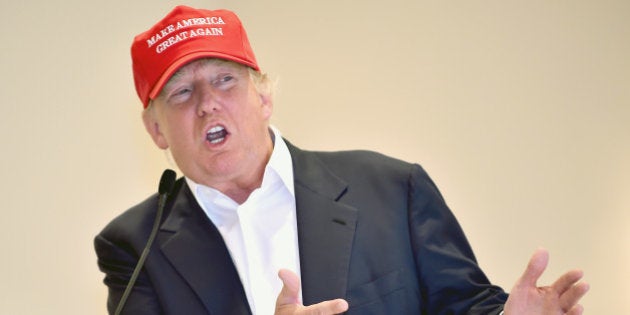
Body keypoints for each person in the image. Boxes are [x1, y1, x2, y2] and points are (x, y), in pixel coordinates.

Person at [94, 5, 589, 315]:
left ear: (264, 98)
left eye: (225, 80)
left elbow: (462, 307)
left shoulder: (392, 189)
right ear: (156, 129)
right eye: (181, 92)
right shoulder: (134, 248)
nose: (207, 103)